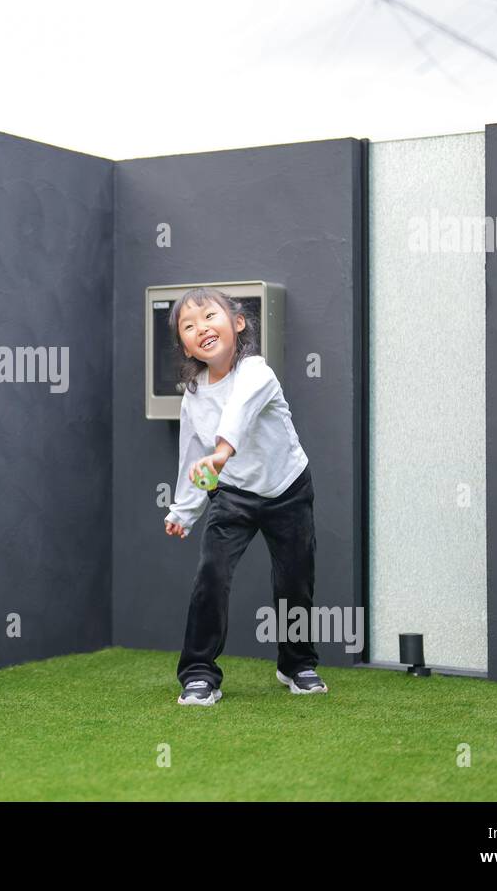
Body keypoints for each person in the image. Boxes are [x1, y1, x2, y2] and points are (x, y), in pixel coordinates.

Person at [163, 287, 328, 704]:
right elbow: (193, 456)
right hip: (234, 494)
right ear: (184, 343)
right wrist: (184, 510)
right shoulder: (195, 395)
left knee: (295, 582)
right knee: (211, 577)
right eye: (188, 325)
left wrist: (221, 454)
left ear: (238, 323)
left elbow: (235, 417)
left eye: (209, 317)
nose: (201, 328)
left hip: (287, 487)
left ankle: (297, 664)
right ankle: (199, 674)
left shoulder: (257, 371)